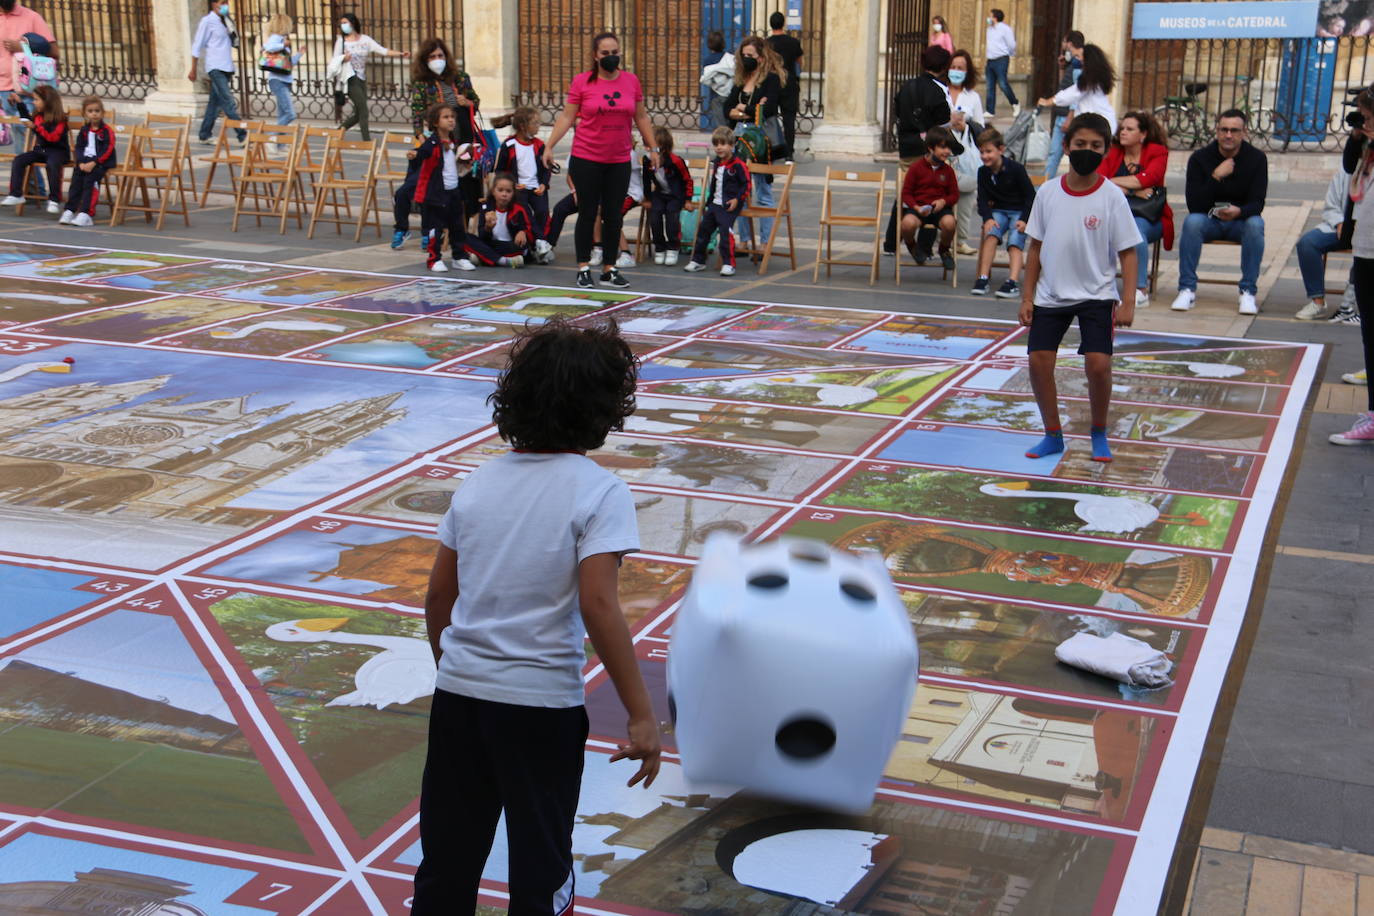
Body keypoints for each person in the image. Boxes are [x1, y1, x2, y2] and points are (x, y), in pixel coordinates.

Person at [411, 317, 659, 915]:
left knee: (447, 857)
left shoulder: (477, 484)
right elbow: (598, 604)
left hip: (461, 700)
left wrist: (461, 667)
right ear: (605, 409)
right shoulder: (599, 492)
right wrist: (642, 714)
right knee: (541, 860)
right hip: (541, 710)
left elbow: (439, 597)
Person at [1020, 112, 1139, 463]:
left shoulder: (1112, 197)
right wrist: (1027, 296)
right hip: (1051, 294)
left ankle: (1099, 432)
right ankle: (1052, 434)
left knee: (1098, 366)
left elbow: (1128, 253)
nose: (1087, 150)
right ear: (1067, 146)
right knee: (1039, 362)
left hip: (1097, 295)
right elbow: (1036, 248)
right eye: (1080, 144)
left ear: (1106, 150)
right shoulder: (1048, 192)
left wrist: (1128, 301)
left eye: (1096, 146)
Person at [542, 31, 659, 290]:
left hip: (618, 159)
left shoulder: (630, 81)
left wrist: (654, 147)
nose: (611, 57)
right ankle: (584, 267)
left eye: (614, 52)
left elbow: (641, 117)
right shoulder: (583, 82)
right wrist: (549, 145)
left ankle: (610, 268)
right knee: (587, 212)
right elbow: (566, 117)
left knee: (613, 214)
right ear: (595, 56)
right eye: (605, 53)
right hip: (587, 157)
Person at [1170, 109, 1268, 315]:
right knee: (1192, 222)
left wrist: (1239, 211)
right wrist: (1216, 176)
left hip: (1240, 221)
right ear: (1217, 131)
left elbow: (1257, 203)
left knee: (1256, 224)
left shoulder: (1257, 158)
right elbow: (1194, 203)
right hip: (1209, 219)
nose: (1228, 135)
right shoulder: (1200, 158)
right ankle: (1187, 289)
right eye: (1224, 130)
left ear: (1244, 132)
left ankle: (1248, 291)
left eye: (1234, 130)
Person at [391, 38, 478, 250]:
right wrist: (424, 144)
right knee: (408, 190)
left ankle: (434, 233)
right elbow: (417, 115)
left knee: (454, 192)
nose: (437, 60)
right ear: (425, 60)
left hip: (460, 142)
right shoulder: (422, 83)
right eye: (432, 57)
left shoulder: (460, 78)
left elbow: (475, 103)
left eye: (440, 56)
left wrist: (465, 102)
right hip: (433, 145)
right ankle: (402, 228)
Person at [1331, 88, 1374, 445]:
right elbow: (1349, 168)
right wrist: (1359, 137)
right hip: (1366, 249)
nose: (1363, 122)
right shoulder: (1367, 146)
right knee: (1369, 335)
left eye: (1367, 116)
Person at [1098, 111, 1173, 309]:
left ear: (1143, 134)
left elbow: (1149, 179)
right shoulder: (1113, 151)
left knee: (1135, 232)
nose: (1123, 132)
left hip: (1149, 217)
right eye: (1122, 128)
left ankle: (1140, 289)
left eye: (1129, 129)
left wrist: (1121, 187)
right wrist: (1134, 189)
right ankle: (1100, 283)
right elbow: (1099, 179)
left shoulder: (1158, 152)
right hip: (1114, 215)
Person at [886, 44, 951, 253]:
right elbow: (943, 123)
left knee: (906, 192)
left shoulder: (907, 87)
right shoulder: (938, 90)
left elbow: (898, 110)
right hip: (929, 151)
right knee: (931, 192)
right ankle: (924, 245)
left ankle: (891, 242)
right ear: (944, 67)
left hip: (907, 147)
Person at [726, 35, 787, 252]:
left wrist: (741, 108)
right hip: (740, 139)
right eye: (744, 55)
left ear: (761, 57)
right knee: (741, 190)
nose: (746, 59)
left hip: (762, 141)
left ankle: (764, 242)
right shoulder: (741, 80)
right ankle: (744, 240)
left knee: (763, 190)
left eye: (750, 55)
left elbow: (768, 110)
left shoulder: (770, 79)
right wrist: (749, 110)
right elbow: (727, 109)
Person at [972, 126, 1035, 298]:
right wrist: (987, 218)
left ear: (1001, 150)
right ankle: (983, 278)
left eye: (989, 151)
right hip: (998, 210)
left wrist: (1024, 219)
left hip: (1018, 212)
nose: (985, 156)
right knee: (991, 234)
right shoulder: (983, 172)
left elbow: (1031, 196)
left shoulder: (1016, 169)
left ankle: (1012, 281)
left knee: (1014, 242)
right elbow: (982, 199)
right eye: (982, 152)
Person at [412, 103, 476, 273]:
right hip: (436, 193)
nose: (451, 120)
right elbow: (422, 154)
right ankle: (434, 258)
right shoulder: (432, 143)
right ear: (435, 122)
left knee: (457, 226)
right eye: (446, 117)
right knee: (435, 227)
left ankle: (459, 257)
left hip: (453, 190)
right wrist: (414, 154)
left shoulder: (454, 142)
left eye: (452, 117)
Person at [333, 13, 409, 142]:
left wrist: (401, 54)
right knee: (364, 110)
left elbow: (383, 50)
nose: (343, 25)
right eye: (342, 23)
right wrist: (343, 58)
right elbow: (334, 61)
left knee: (358, 113)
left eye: (345, 22)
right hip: (349, 79)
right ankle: (367, 141)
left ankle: (338, 132)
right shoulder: (341, 41)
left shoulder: (365, 40)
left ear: (353, 23)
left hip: (361, 79)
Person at [684, 125, 749, 276]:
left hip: (728, 205)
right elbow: (714, 184)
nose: (719, 148)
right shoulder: (717, 163)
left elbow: (746, 185)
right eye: (716, 144)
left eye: (723, 144)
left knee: (726, 233)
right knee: (703, 230)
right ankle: (698, 260)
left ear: (732, 145)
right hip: (715, 204)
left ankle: (728, 263)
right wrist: (709, 201)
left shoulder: (738, 165)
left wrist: (737, 199)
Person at [1294, 167, 1356, 320]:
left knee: (1365, 253)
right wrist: (1340, 223)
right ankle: (1318, 301)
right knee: (1307, 243)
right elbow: (1331, 206)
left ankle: (1348, 303)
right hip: (1341, 229)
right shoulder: (1346, 171)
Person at [494, 106, 554, 263]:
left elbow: (546, 168)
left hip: (536, 188)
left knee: (542, 213)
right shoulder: (509, 145)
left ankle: (540, 244)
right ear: (523, 126)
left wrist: (544, 184)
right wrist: (512, 185)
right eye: (535, 123)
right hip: (519, 189)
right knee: (525, 214)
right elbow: (500, 171)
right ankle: (539, 243)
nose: (538, 126)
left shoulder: (539, 145)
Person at [900, 125, 960, 270]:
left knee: (950, 223)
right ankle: (912, 245)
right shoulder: (915, 168)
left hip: (939, 210)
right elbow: (906, 193)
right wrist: (916, 207)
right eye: (942, 147)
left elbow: (954, 194)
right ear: (931, 148)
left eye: (948, 148)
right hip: (919, 208)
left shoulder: (948, 171)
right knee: (907, 224)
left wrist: (943, 201)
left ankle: (944, 249)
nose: (947, 152)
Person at [0, 0, 56, 154]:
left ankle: (28, 177)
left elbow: (54, 52)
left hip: (26, 91)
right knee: (20, 141)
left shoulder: (31, 17)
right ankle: (24, 177)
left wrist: (24, 47)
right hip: (2, 89)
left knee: (25, 139)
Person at [189, 0, 245, 146]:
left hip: (227, 67)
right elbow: (197, 45)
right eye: (222, 2)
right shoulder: (207, 21)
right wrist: (193, 69)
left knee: (214, 103)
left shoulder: (226, 21)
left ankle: (204, 134)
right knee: (228, 101)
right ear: (214, 4)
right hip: (215, 67)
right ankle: (242, 135)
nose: (225, 5)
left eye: (226, 2)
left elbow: (234, 41)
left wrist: (230, 22)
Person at [1, 83, 65, 213]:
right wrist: (19, 103)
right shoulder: (38, 115)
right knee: (19, 160)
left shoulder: (60, 118)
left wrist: (36, 127)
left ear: (47, 101)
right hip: (41, 150)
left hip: (58, 151)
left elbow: (53, 137)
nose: (34, 103)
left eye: (36, 100)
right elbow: (27, 119)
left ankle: (54, 199)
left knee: (52, 164)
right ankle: (16, 194)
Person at [946, 49, 985, 255]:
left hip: (965, 154)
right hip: (943, 152)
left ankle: (960, 240)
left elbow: (981, 127)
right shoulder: (940, 91)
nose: (956, 71)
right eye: (953, 67)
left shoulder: (973, 97)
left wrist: (965, 126)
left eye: (960, 68)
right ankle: (941, 238)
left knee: (966, 196)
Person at [1037, 43, 1117, 136]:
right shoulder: (1096, 79)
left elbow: (1071, 94)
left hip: (1097, 126)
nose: (1080, 60)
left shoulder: (1089, 80)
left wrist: (1048, 102)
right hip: (1100, 125)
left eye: (1081, 57)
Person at [60, 95, 113, 227]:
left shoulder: (106, 131)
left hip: (100, 163)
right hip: (85, 162)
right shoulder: (84, 130)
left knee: (90, 181)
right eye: (90, 111)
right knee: (76, 180)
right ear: (85, 114)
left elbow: (108, 149)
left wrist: (94, 162)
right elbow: (79, 148)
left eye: (97, 111)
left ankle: (86, 213)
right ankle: (70, 209)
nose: (94, 114)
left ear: (102, 113)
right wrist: (81, 162)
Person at [644, 125, 694, 265]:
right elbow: (646, 180)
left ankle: (673, 247)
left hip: (676, 196)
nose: (648, 148)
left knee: (672, 217)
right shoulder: (647, 160)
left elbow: (687, 180)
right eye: (646, 144)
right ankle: (659, 247)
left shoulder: (676, 161)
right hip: (660, 194)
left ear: (663, 147)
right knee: (655, 216)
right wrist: (647, 198)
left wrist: (688, 199)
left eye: (651, 145)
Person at [465, 173, 539, 268]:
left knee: (521, 249)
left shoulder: (519, 209)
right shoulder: (486, 208)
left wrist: (523, 232)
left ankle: (483, 257)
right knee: (465, 237)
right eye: (500, 190)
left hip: (510, 246)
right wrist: (488, 228)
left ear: (513, 193)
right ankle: (502, 261)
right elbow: (483, 237)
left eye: (508, 191)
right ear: (493, 192)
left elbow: (530, 229)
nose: (504, 194)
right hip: (492, 245)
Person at [1043, 31, 1084, 178]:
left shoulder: (1079, 63)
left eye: (1064, 42)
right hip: (1062, 113)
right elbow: (1065, 86)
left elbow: (1078, 93)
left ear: (1069, 44)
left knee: (1064, 154)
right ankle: (1045, 186)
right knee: (1054, 154)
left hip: (1067, 116)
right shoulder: (1072, 63)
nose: (1062, 46)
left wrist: (1069, 117)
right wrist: (1062, 68)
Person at [767, 11, 804, 155]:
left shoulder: (767, 44)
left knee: (770, 118)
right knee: (789, 119)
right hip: (789, 84)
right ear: (783, 24)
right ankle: (789, 153)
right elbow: (801, 63)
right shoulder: (794, 42)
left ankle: (773, 149)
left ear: (771, 24)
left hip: (772, 84)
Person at [261, 13, 303, 134]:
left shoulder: (282, 39)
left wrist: (299, 54)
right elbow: (268, 47)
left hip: (286, 80)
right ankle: (271, 137)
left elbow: (287, 63)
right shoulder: (276, 38)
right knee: (290, 114)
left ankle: (279, 144)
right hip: (277, 80)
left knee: (282, 115)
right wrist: (283, 45)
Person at [983, 9, 1019, 118]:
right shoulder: (989, 29)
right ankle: (990, 110)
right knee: (990, 86)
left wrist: (1010, 54)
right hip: (990, 60)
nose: (989, 18)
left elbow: (1011, 44)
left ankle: (1015, 103)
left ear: (995, 17)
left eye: (991, 16)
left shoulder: (1005, 29)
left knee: (1003, 84)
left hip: (1001, 59)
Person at [699, 31, 734, 131]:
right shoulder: (730, 58)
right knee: (731, 119)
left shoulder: (708, 60)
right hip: (730, 94)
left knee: (721, 122)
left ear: (709, 45)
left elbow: (708, 78)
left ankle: (724, 138)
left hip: (716, 94)